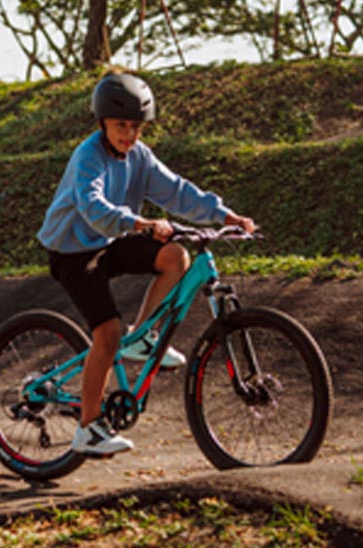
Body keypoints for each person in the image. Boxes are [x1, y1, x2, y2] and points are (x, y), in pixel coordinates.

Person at [36, 71, 256, 457]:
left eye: (136, 127)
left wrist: (226, 216)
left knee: (176, 255)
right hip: (73, 252)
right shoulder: (88, 156)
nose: (129, 134)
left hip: (110, 240)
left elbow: (177, 191)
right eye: (121, 125)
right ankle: (88, 428)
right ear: (102, 122)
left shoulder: (139, 157)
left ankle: (144, 339)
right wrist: (138, 223)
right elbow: (92, 207)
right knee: (107, 332)